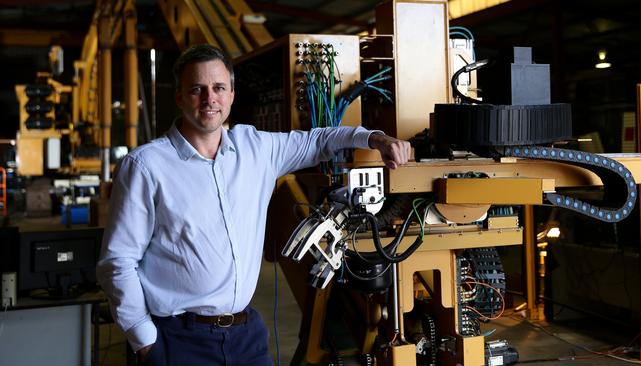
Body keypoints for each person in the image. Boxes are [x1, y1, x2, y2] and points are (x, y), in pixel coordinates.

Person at [96, 44, 411, 366]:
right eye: (197, 89)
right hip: (178, 340)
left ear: (232, 94)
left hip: (245, 336)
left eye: (218, 88)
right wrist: (145, 341)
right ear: (179, 97)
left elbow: (319, 141)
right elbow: (118, 261)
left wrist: (375, 138)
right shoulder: (147, 166)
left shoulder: (257, 149)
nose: (209, 99)